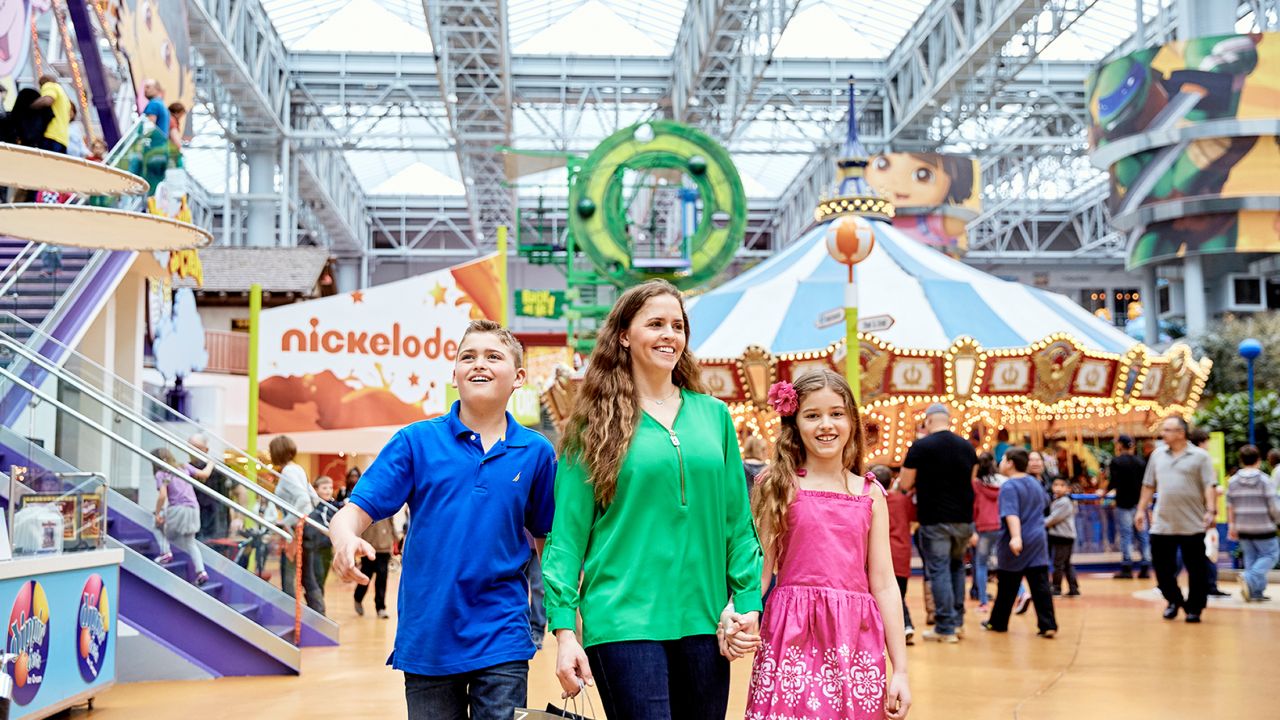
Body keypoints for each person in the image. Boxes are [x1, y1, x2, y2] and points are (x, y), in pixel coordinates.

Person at [543, 280, 762, 719]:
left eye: (677, 326)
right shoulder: (591, 427)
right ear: (624, 335)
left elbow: (738, 524)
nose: (670, 335)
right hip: (622, 622)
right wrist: (566, 631)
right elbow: (566, 539)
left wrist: (747, 601)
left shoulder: (714, 417)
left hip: (704, 621)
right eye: (656, 323)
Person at [328, 319, 556, 719]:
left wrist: (563, 625)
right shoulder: (416, 442)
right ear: (454, 374)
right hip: (427, 636)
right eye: (467, 356)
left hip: (502, 632)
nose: (478, 364)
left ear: (518, 376)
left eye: (493, 356)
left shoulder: (535, 452)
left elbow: (547, 543)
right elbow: (353, 511)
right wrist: (345, 538)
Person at [742, 372, 910, 719]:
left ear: (852, 420)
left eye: (836, 413)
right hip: (790, 633)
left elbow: (883, 583)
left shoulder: (870, 494)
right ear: (795, 422)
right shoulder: (777, 486)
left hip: (855, 639)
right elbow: (760, 570)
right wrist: (739, 613)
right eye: (812, 415)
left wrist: (902, 671)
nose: (826, 425)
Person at [898, 403, 977, 642]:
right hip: (963, 518)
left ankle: (945, 627)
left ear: (928, 421)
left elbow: (905, 483)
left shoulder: (921, 447)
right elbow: (970, 480)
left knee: (939, 570)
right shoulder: (967, 447)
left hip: (934, 518)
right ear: (948, 420)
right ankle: (958, 621)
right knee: (956, 568)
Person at [1136, 416, 1217, 623]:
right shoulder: (1157, 455)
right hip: (1163, 523)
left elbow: (1210, 485)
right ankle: (1173, 600)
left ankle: (1195, 608)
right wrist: (1140, 510)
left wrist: (1211, 510)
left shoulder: (1200, 457)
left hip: (1192, 523)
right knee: (1162, 568)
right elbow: (1148, 485)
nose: (1163, 434)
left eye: (1168, 430)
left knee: (1197, 569)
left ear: (1181, 433)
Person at [983, 448, 1056, 638]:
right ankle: (1048, 624)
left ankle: (998, 622)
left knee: (1007, 583)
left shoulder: (1009, 486)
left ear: (1010, 463)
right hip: (1038, 538)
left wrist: (1016, 537)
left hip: (1017, 540)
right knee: (1040, 584)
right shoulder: (1035, 483)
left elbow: (1011, 513)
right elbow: (1044, 504)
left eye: (1003, 459)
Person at [270, 435, 323, 611]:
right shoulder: (297, 468)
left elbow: (304, 500)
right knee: (307, 575)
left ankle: (291, 614)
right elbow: (314, 498)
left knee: (290, 575)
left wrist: (286, 521)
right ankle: (318, 613)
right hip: (303, 528)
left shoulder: (288, 472)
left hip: (296, 531)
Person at [1226, 445, 1280, 602]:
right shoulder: (1264, 480)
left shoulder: (1233, 481)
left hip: (1242, 526)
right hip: (1263, 525)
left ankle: (1256, 592)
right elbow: (1273, 505)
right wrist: (1278, 520)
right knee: (1271, 554)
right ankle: (1248, 577)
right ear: (1259, 460)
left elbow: (1230, 505)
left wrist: (1232, 525)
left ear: (1241, 460)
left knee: (1250, 558)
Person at [873, 463, 917, 646]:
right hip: (901, 552)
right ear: (892, 481)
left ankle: (903, 625)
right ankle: (904, 625)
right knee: (898, 593)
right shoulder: (902, 500)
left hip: (879, 555)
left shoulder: (871, 499)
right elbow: (913, 517)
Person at [151, 447, 208, 586]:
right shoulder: (184, 467)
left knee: (156, 526)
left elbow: (163, 496)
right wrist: (212, 462)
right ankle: (201, 572)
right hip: (194, 509)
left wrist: (157, 513)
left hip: (178, 509)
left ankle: (165, 552)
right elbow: (204, 474)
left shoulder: (162, 474)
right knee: (190, 542)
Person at [1105, 435, 1150, 579]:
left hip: (1123, 503)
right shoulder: (1140, 462)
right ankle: (1145, 564)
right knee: (1142, 534)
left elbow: (1113, 482)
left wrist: (1105, 491)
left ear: (1120, 445)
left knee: (1126, 534)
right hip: (1139, 503)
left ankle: (1127, 566)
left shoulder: (1117, 462)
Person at [971, 451, 1004, 611]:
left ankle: (983, 601)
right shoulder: (1003, 483)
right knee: (1004, 563)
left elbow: (973, 507)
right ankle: (1021, 592)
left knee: (981, 564)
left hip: (983, 527)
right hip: (1000, 525)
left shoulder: (975, 484)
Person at [354, 509, 396, 619]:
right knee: (365, 577)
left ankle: (380, 607)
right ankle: (358, 598)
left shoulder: (388, 506)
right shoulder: (367, 505)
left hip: (385, 548)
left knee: (382, 579)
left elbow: (391, 524)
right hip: (369, 548)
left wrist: (395, 539)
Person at [1046, 478, 1080, 597]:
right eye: (1055, 485)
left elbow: (1053, 518)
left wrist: (1038, 523)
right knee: (1066, 563)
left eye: (1062, 485)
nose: (1058, 488)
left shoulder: (1064, 502)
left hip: (1063, 537)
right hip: (1062, 536)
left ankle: (1056, 588)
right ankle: (1073, 588)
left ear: (1068, 489)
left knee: (1058, 564)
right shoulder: (1059, 500)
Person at [30, 74, 70, 153]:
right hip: (63, 139)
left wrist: (30, 107)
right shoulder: (64, 95)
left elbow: (47, 100)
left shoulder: (50, 85)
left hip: (51, 135)